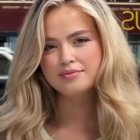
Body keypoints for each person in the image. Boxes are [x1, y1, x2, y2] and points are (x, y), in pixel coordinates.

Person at [0, 0, 140, 140]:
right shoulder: (10, 131)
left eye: (80, 40)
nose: (66, 58)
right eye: (49, 46)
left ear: (108, 44)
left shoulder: (135, 127)